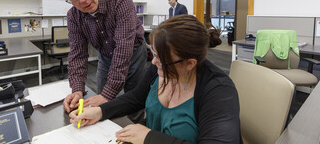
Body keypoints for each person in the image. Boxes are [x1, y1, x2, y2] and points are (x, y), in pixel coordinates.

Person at [70, 15, 241, 143]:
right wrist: (100, 111)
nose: (153, 62)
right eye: (154, 54)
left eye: (160, 58)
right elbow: (137, 97)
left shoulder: (219, 90)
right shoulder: (162, 66)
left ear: (190, 63)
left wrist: (149, 137)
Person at [53, 0, 147, 113]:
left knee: (134, 99)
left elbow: (123, 49)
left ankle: (135, 128)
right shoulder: (73, 16)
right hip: (105, 56)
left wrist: (108, 95)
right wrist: (77, 90)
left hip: (134, 53)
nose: (82, 0)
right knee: (102, 103)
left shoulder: (120, 1)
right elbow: (78, 54)